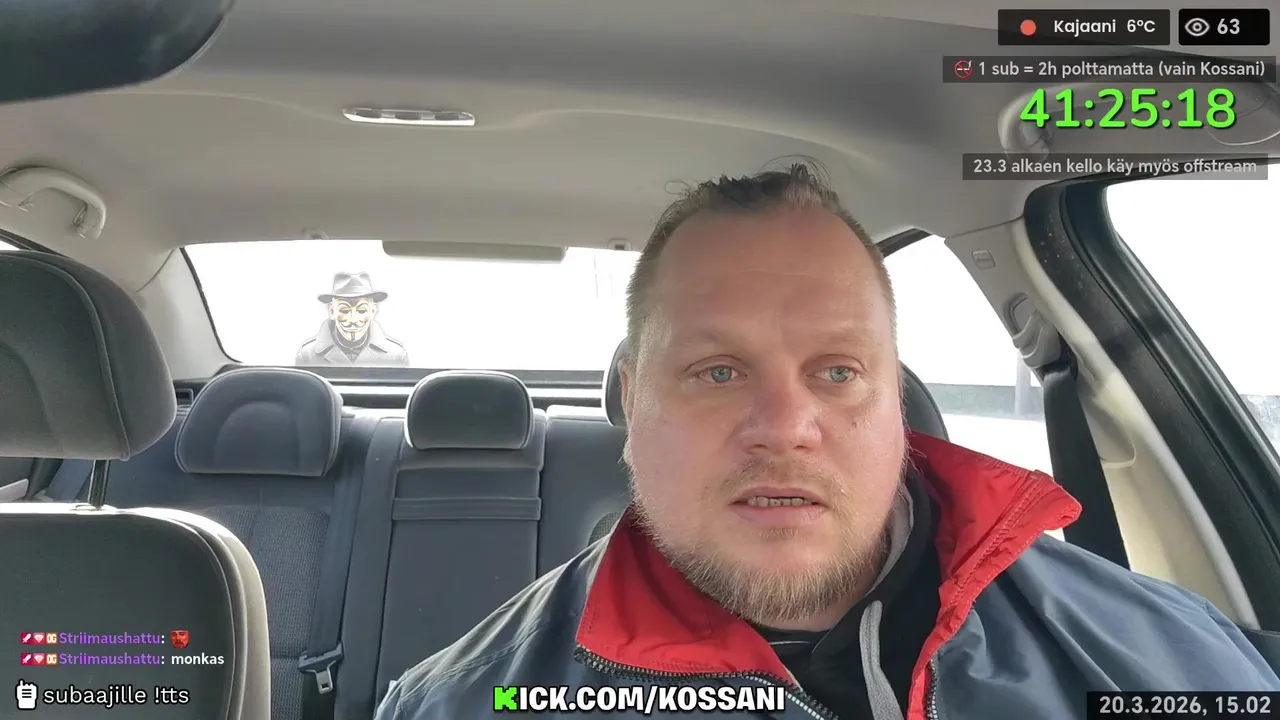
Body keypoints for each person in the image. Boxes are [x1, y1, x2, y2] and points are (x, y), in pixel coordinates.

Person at [375, 165, 1279, 719]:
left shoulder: (1158, 655)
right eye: (717, 371)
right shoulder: (465, 703)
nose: (784, 427)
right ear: (629, 401)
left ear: (897, 405)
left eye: (838, 371)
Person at [295, 271, 409, 366]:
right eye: (344, 310)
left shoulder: (395, 356)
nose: (353, 319)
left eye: (362, 310)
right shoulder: (307, 356)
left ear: (373, 312)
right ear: (332, 311)